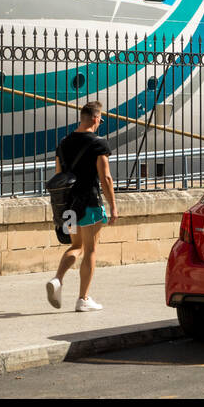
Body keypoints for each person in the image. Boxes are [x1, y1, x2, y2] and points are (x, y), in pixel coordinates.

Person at [46, 101, 117, 312]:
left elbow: (59, 175)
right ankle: (83, 298)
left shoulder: (64, 143)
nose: (99, 123)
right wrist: (113, 205)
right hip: (89, 202)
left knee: (76, 246)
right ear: (95, 118)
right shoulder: (98, 143)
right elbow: (105, 177)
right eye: (100, 119)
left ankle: (58, 279)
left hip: (68, 204)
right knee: (90, 250)